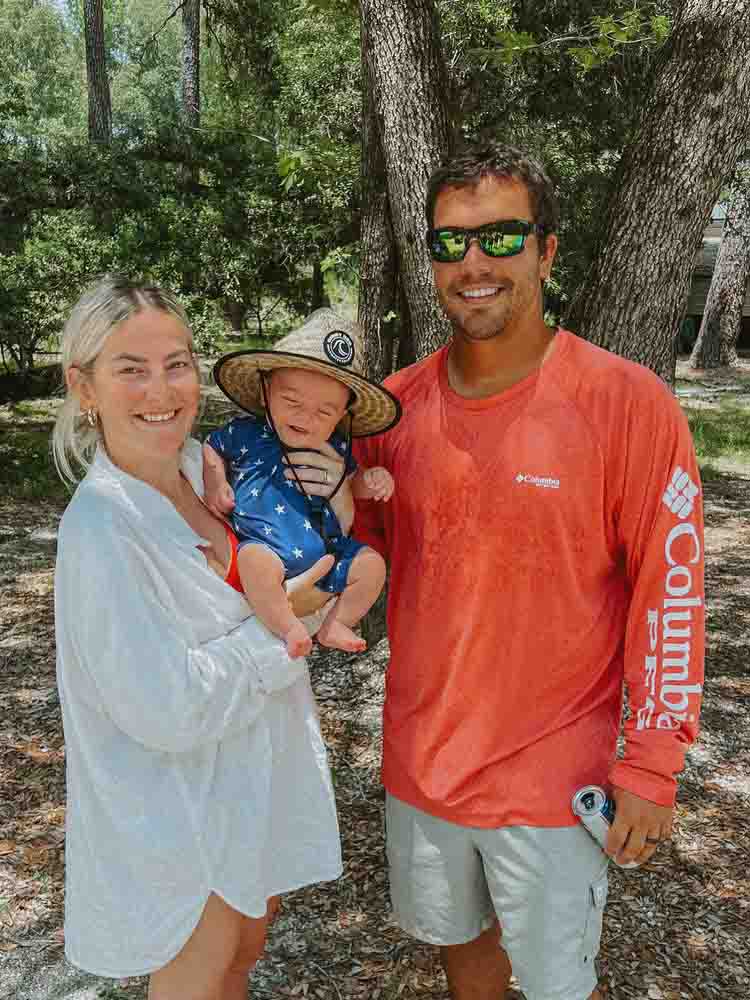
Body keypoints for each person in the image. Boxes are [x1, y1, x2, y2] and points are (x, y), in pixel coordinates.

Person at [344, 143, 704, 1000]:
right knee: (461, 951)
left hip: (554, 776)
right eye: (449, 243)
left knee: (552, 982)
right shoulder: (391, 410)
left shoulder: (624, 402)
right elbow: (349, 552)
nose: (473, 264)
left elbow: (672, 590)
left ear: (546, 251)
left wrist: (652, 763)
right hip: (424, 763)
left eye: (501, 239)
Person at [52, 276, 343, 1000]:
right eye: (131, 368)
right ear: (83, 387)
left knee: (240, 963)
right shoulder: (103, 527)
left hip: (251, 788)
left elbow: (313, 530)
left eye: (176, 363)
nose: (162, 388)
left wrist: (338, 491)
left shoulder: (205, 470)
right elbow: (167, 709)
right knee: (197, 977)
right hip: (183, 818)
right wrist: (291, 624)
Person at [202, 308, 400, 658]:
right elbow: (211, 447)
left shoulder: (336, 448)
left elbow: (349, 485)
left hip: (328, 551)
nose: (305, 418)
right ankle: (288, 625)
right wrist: (216, 480)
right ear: (265, 393)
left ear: (342, 416)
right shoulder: (247, 433)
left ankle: (338, 622)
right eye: (291, 402)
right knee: (254, 564)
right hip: (267, 548)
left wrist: (370, 482)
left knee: (372, 566)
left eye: (324, 412)